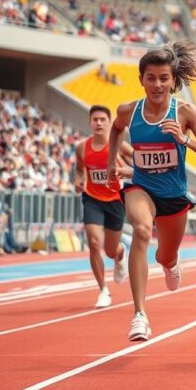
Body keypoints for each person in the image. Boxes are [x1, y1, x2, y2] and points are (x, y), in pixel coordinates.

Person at [107, 42, 196, 341]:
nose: (157, 84)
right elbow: (116, 128)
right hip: (140, 185)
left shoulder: (184, 112)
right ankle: (139, 315)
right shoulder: (128, 110)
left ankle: (171, 263)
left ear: (173, 81)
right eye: (151, 78)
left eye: (163, 78)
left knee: (164, 255)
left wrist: (185, 140)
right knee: (142, 230)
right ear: (141, 80)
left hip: (173, 195)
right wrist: (111, 163)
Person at [73, 105, 133, 308]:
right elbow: (79, 170)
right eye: (95, 119)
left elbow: (139, 162)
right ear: (90, 122)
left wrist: (126, 170)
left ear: (109, 123)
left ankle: (119, 253)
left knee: (109, 250)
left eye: (102, 119)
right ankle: (103, 290)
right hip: (93, 199)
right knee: (93, 242)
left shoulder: (120, 146)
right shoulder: (82, 148)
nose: (98, 123)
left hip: (115, 200)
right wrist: (78, 181)